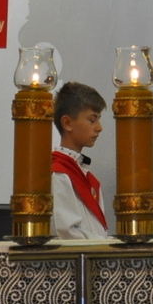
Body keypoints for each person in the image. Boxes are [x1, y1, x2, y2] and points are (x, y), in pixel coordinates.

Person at [51, 82, 109, 240]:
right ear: (67, 123)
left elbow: (97, 231)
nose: (99, 128)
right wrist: (108, 244)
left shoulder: (87, 177)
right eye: (92, 120)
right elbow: (66, 233)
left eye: (98, 120)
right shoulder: (59, 174)